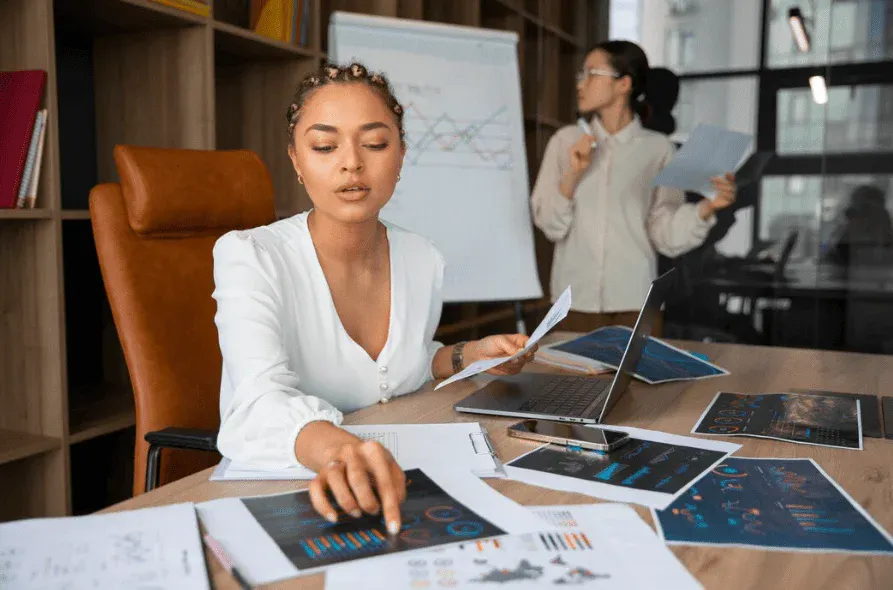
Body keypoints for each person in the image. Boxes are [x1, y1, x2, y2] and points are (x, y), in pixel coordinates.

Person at [211, 62, 536, 535]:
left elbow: (400, 367)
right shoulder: (250, 256)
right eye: (324, 146)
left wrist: (467, 355)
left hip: (394, 486)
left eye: (376, 144)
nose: (351, 163)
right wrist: (339, 450)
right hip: (284, 490)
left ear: (401, 155)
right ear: (297, 161)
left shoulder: (422, 257)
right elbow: (256, 401)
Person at [531, 41, 738, 334]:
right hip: (573, 304)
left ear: (623, 84)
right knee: (571, 382)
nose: (580, 84)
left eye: (591, 73)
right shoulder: (564, 142)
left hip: (636, 305)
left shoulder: (659, 149)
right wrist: (573, 175)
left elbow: (665, 233)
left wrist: (707, 208)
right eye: (581, 75)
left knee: (639, 381)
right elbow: (551, 227)